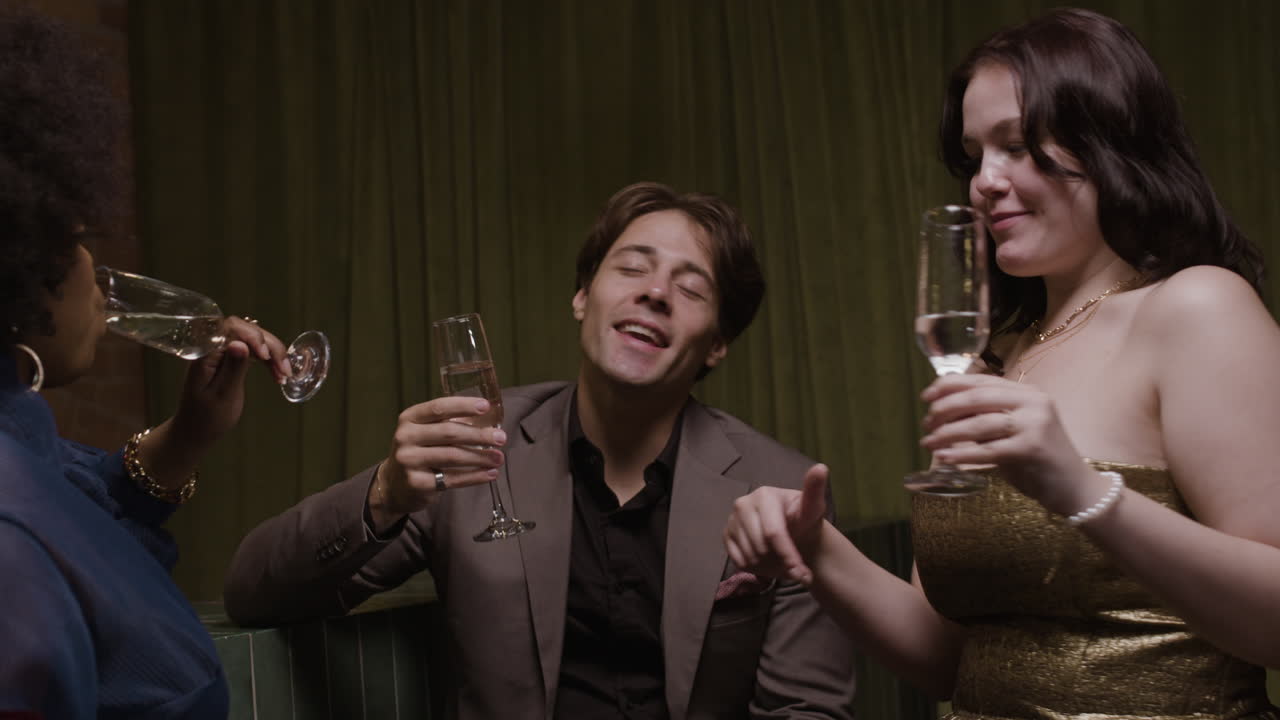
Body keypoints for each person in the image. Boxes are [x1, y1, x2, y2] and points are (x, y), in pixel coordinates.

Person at [724, 8, 1280, 720]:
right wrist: (817, 551)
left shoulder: (1196, 307)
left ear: (1109, 141)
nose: (984, 181)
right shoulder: (998, 358)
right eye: (973, 156)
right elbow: (950, 659)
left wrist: (1083, 491)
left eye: (1015, 145)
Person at [223, 181, 858, 719]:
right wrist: (385, 495)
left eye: (691, 289)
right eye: (632, 267)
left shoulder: (781, 485)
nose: (655, 292)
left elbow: (807, 709)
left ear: (717, 342)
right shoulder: (475, 454)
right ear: (583, 297)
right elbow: (254, 592)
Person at [0, 7, 295, 717]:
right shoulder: (9, 547)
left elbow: (94, 517)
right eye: (75, 237)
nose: (93, 266)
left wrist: (190, 435)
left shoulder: (25, 442)